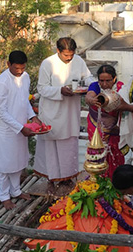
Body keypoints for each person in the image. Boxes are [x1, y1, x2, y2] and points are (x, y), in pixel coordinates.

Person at [34, 37, 94, 194]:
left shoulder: (79, 61)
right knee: (51, 146)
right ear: (58, 51)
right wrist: (60, 90)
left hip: (70, 110)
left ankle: (67, 179)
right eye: (66, 55)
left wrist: (89, 85)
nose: (69, 58)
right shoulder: (48, 64)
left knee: (68, 145)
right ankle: (50, 179)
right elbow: (42, 88)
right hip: (51, 110)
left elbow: (87, 77)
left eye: (71, 55)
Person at [0, 51, 42, 210]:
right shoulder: (2, 82)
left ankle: (16, 191)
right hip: (5, 130)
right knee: (3, 165)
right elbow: (1, 111)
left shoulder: (25, 77)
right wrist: (20, 128)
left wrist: (33, 117)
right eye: (16, 68)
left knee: (18, 162)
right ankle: (4, 196)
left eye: (22, 68)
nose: (20, 71)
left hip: (21, 128)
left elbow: (24, 101)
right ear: (8, 64)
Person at [85, 65, 125, 178]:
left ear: (114, 79)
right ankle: (97, 180)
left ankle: (116, 182)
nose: (104, 84)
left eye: (108, 81)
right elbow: (89, 96)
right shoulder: (95, 86)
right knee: (96, 152)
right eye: (101, 80)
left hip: (115, 128)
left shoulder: (121, 88)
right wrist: (92, 100)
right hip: (96, 125)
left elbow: (125, 104)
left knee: (115, 154)